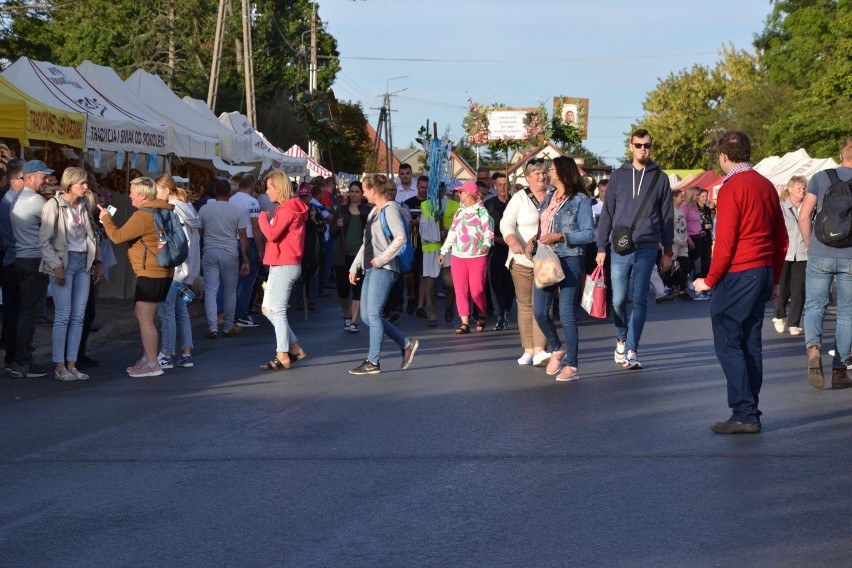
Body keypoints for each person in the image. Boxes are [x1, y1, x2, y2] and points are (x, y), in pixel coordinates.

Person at [693, 131, 787, 434]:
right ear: (748, 152)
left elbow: (726, 241)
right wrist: (774, 277)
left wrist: (709, 280)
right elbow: (780, 238)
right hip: (760, 271)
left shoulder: (731, 187)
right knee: (751, 343)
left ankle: (744, 412)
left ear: (723, 156)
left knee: (727, 341)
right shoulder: (766, 185)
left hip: (738, 273)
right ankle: (750, 410)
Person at [596, 129, 674, 370]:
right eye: (639, 144)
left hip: (647, 246)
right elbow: (607, 213)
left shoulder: (659, 177)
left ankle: (631, 349)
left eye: (647, 145)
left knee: (639, 299)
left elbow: (666, 217)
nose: (643, 149)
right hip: (620, 247)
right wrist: (601, 247)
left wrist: (668, 251)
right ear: (631, 146)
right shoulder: (618, 176)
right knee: (618, 300)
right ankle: (621, 337)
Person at [100, 177, 175, 377]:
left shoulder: (143, 215)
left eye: (132, 191)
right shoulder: (164, 210)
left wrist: (105, 217)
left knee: (145, 317)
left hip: (151, 272)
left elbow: (117, 236)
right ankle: (147, 358)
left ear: (142, 195)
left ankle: (152, 364)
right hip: (163, 271)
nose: (130, 195)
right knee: (144, 315)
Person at [531, 156, 595, 382]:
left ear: (563, 173)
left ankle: (572, 366)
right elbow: (544, 225)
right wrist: (535, 238)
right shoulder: (549, 197)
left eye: (552, 169)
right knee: (539, 311)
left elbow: (589, 234)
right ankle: (557, 348)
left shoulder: (580, 200)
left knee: (567, 314)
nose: (548, 172)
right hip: (546, 259)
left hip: (570, 259)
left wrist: (561, 236)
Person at [348, 173, 419, 375]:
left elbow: (401, 238)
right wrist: (355, 267)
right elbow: (366, 244)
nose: (363, 194)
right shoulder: (373, 212)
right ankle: (406, 343)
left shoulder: (390, 210)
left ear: (373, 190)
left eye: (364, 190)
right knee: (367, 317)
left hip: (384, 268)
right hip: (371, 267)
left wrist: (381, 259)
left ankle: (373, 361)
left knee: (374, 314)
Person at [798, 136, 852, 390]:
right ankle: (839, 371)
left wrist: (810, 244)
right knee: (847, 313)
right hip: (850, 256)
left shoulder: (821, 177)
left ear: (842, 155)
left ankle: (814, 351)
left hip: (820, 250)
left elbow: (804, 215)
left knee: (815, 306)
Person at [39, 167, 100, 381]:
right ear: (70, 184)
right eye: (81, 183)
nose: (86, 186)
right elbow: (44, 241)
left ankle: (72, 364)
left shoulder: (84, 205)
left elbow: (92, 235)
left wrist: (97, 260)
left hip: (83, 263)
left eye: (86, 183)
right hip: (64, 263)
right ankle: (59, 365)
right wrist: (56, 266)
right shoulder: (53, 205)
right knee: (63, 315)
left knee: (78, 316)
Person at [500, 159, 551, 367]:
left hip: (546, 260)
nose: (541, 176)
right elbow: (506, 222)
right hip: (521, 260)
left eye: (544, 172)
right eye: (537, 173)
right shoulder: (519, 198)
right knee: (525, 306)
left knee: (543, 307)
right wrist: (512, 240)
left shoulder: (554, 195)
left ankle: (540, 349)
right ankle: (528, 349)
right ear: (528, 177)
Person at [257, 171, 308, 370]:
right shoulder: (292, 207)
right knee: (267, 309)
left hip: (283, 263)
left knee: (276, 311)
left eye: (270, 187)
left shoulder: (286, 209)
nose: (267, 191)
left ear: (279, 188)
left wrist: (261, 218)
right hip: (285, 263)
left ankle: (282, 354)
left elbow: (272, 234)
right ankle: (294, 347)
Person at [9, 160, 53, 378]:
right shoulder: (36, 201)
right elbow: (57, 225)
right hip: (34, 260)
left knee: (25, 312)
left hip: (22, 258)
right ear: (29, 177)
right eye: (43, 176)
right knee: (30, 313)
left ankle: (19, 359)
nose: (47, 181)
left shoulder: (18, 198)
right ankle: (22, 361)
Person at [154, 175, 200, 369]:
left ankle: (166, 352)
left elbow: (178, 242)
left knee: (166, 311)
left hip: (176, 269)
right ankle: (186, 351)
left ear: (166, 190)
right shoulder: (188, 208)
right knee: (180, 311)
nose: (155, 195)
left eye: (156, 191)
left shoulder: (173, 210)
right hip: (188, 268)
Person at [198, 177, 250, 338]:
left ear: (215, 192)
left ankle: (212, 327)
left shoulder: (205, 209)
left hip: (210, 251)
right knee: (230, 292)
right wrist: (246, 260)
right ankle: (228, 326)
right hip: (230, 252)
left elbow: (199, 233)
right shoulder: (236, 211)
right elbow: (243, 238)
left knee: (210, 291)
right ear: (229, 193)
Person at [439, 181, 493, 333]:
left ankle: (481, 313)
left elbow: (487, 229)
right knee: (461, 289)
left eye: (461, 192)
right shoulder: (459, 212)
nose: (458, 194)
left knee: (477, 289)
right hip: (458, 256)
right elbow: (453, 232)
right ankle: (464, 322)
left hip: (477, 256)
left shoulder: (481, 211)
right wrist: (444, 251)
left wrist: (487, 243)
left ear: (468, 193)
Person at [331, 180, 370, 333]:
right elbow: (332, 233)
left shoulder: (367, 211)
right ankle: (347, 316)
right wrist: (337, 225)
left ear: (362, 193)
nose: (354, 194)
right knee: (342, 291)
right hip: (343, 256)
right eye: (352, 192)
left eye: (357, 192)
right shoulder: (341, 210)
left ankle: (354, 322)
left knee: (357, 290)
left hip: (359, 257)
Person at [772, 176, 808, 336]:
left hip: (803, 254)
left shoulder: (809, 208)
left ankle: (794, 323)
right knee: (782, 288)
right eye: (799, 188)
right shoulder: (780, 208)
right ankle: (779, 315)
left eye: (804, 188)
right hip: (784, 253)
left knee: (799, 289)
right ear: (790, 189)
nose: (802, 190)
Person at [230, 173, 264, 328]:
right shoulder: (252, 202)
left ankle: (235, 314)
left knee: (236, 280)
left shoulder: (231, 200)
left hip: (232, 240)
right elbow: (256, 227)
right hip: (247, 240)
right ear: (253, 184)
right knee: (247, 280)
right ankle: (242, 314)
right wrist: (260, 249)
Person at [0, 158, 25, 374]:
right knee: (14, 310)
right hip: (14, 260)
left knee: (12, 309)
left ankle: (13, 354)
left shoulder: (16, 200)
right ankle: (13, 356)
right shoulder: (11, 202)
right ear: (14, 180)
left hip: (12, 259)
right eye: (24, 177)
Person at [483, 172, 514, 329]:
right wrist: (499, 239)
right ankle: (499, 315)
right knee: (495, 285)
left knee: (510, 285)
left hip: (513, 250)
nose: (503, 187)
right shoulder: (488, 204)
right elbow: (484, 229)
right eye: (500, 184)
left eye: (505, 184)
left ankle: (508, 309)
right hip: (495, 250)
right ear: (494, 186)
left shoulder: (514, 203)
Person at [660, 189, 693, 302]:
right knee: (668, 267)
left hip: (682, 244)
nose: (682, 199)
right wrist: (678, 240)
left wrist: (686, 240)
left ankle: (681, 290)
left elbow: (683, 227)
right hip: (672, 243)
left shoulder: (680, 211)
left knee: (686, 266)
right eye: (680, 197)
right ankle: (664, 290)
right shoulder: (670, 211)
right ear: (673, 197)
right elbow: (669, 228)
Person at [403, 175, 429, 317]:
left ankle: (420, 306)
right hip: (410, 242)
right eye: (421, 187)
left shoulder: (431, 204)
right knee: (408, 274)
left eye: (426, 188)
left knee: (422, 275)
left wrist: (422, 222)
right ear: (417, 186)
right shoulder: (408, 203)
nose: (424, 190)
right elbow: (405, 223)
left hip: (425, 243)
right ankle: (412, 297)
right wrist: (412, 223)